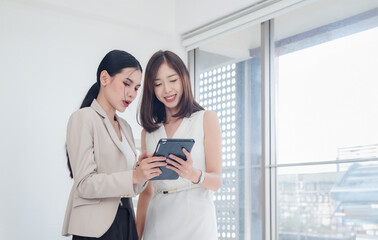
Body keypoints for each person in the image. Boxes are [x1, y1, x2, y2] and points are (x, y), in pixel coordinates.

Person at [62, 50, 167, 240]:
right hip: (95, 229)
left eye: (136, 88)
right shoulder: (83, 118)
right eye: (126, 84)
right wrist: (133, 176)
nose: (132, 94)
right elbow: (85, 184)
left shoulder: (125, 127)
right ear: (104, 78)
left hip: (125, 219)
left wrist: (140, 171)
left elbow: (131, 186)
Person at [137, 50, 222, 240]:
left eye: (172, 80)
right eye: (158, 84)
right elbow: (146, 193)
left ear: (184, 79)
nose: (167, 89)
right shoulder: (149, 133)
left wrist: (192, 174)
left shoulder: (205, 119)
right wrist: (136, 235)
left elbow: (216, 181)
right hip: (158, 222)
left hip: (197, 220)